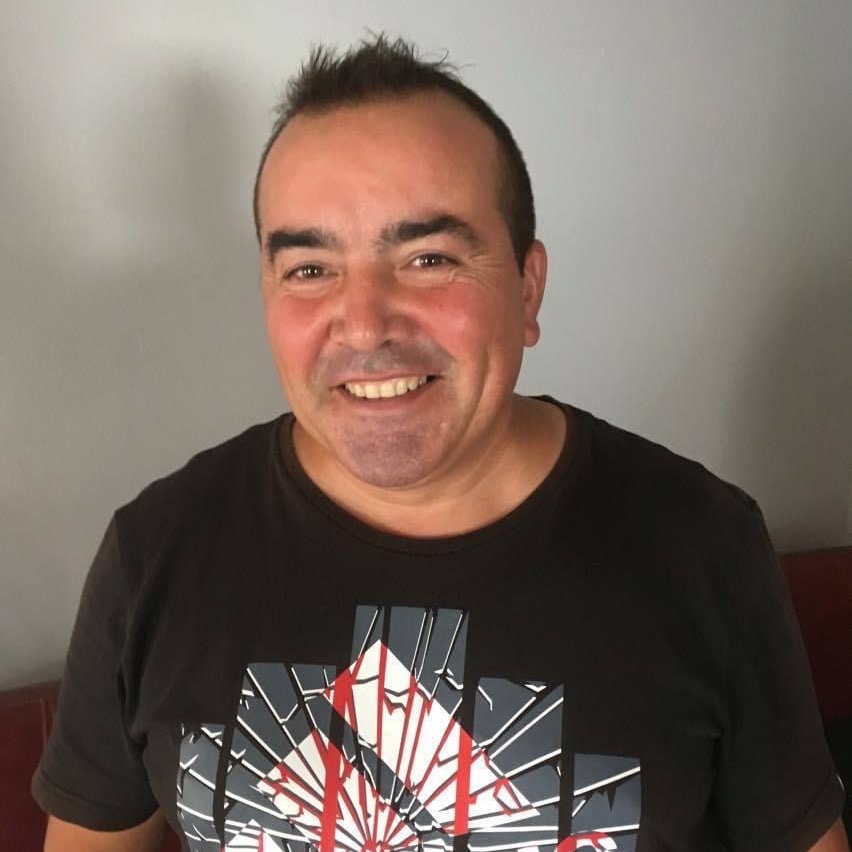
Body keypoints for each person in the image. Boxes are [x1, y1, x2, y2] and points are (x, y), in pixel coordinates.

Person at [33, 35, 848, 852]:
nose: (364, 325)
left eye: (428, 258)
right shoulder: (156, 553)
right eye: (310, 268)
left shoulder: (704, 545)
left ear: (527, 288)